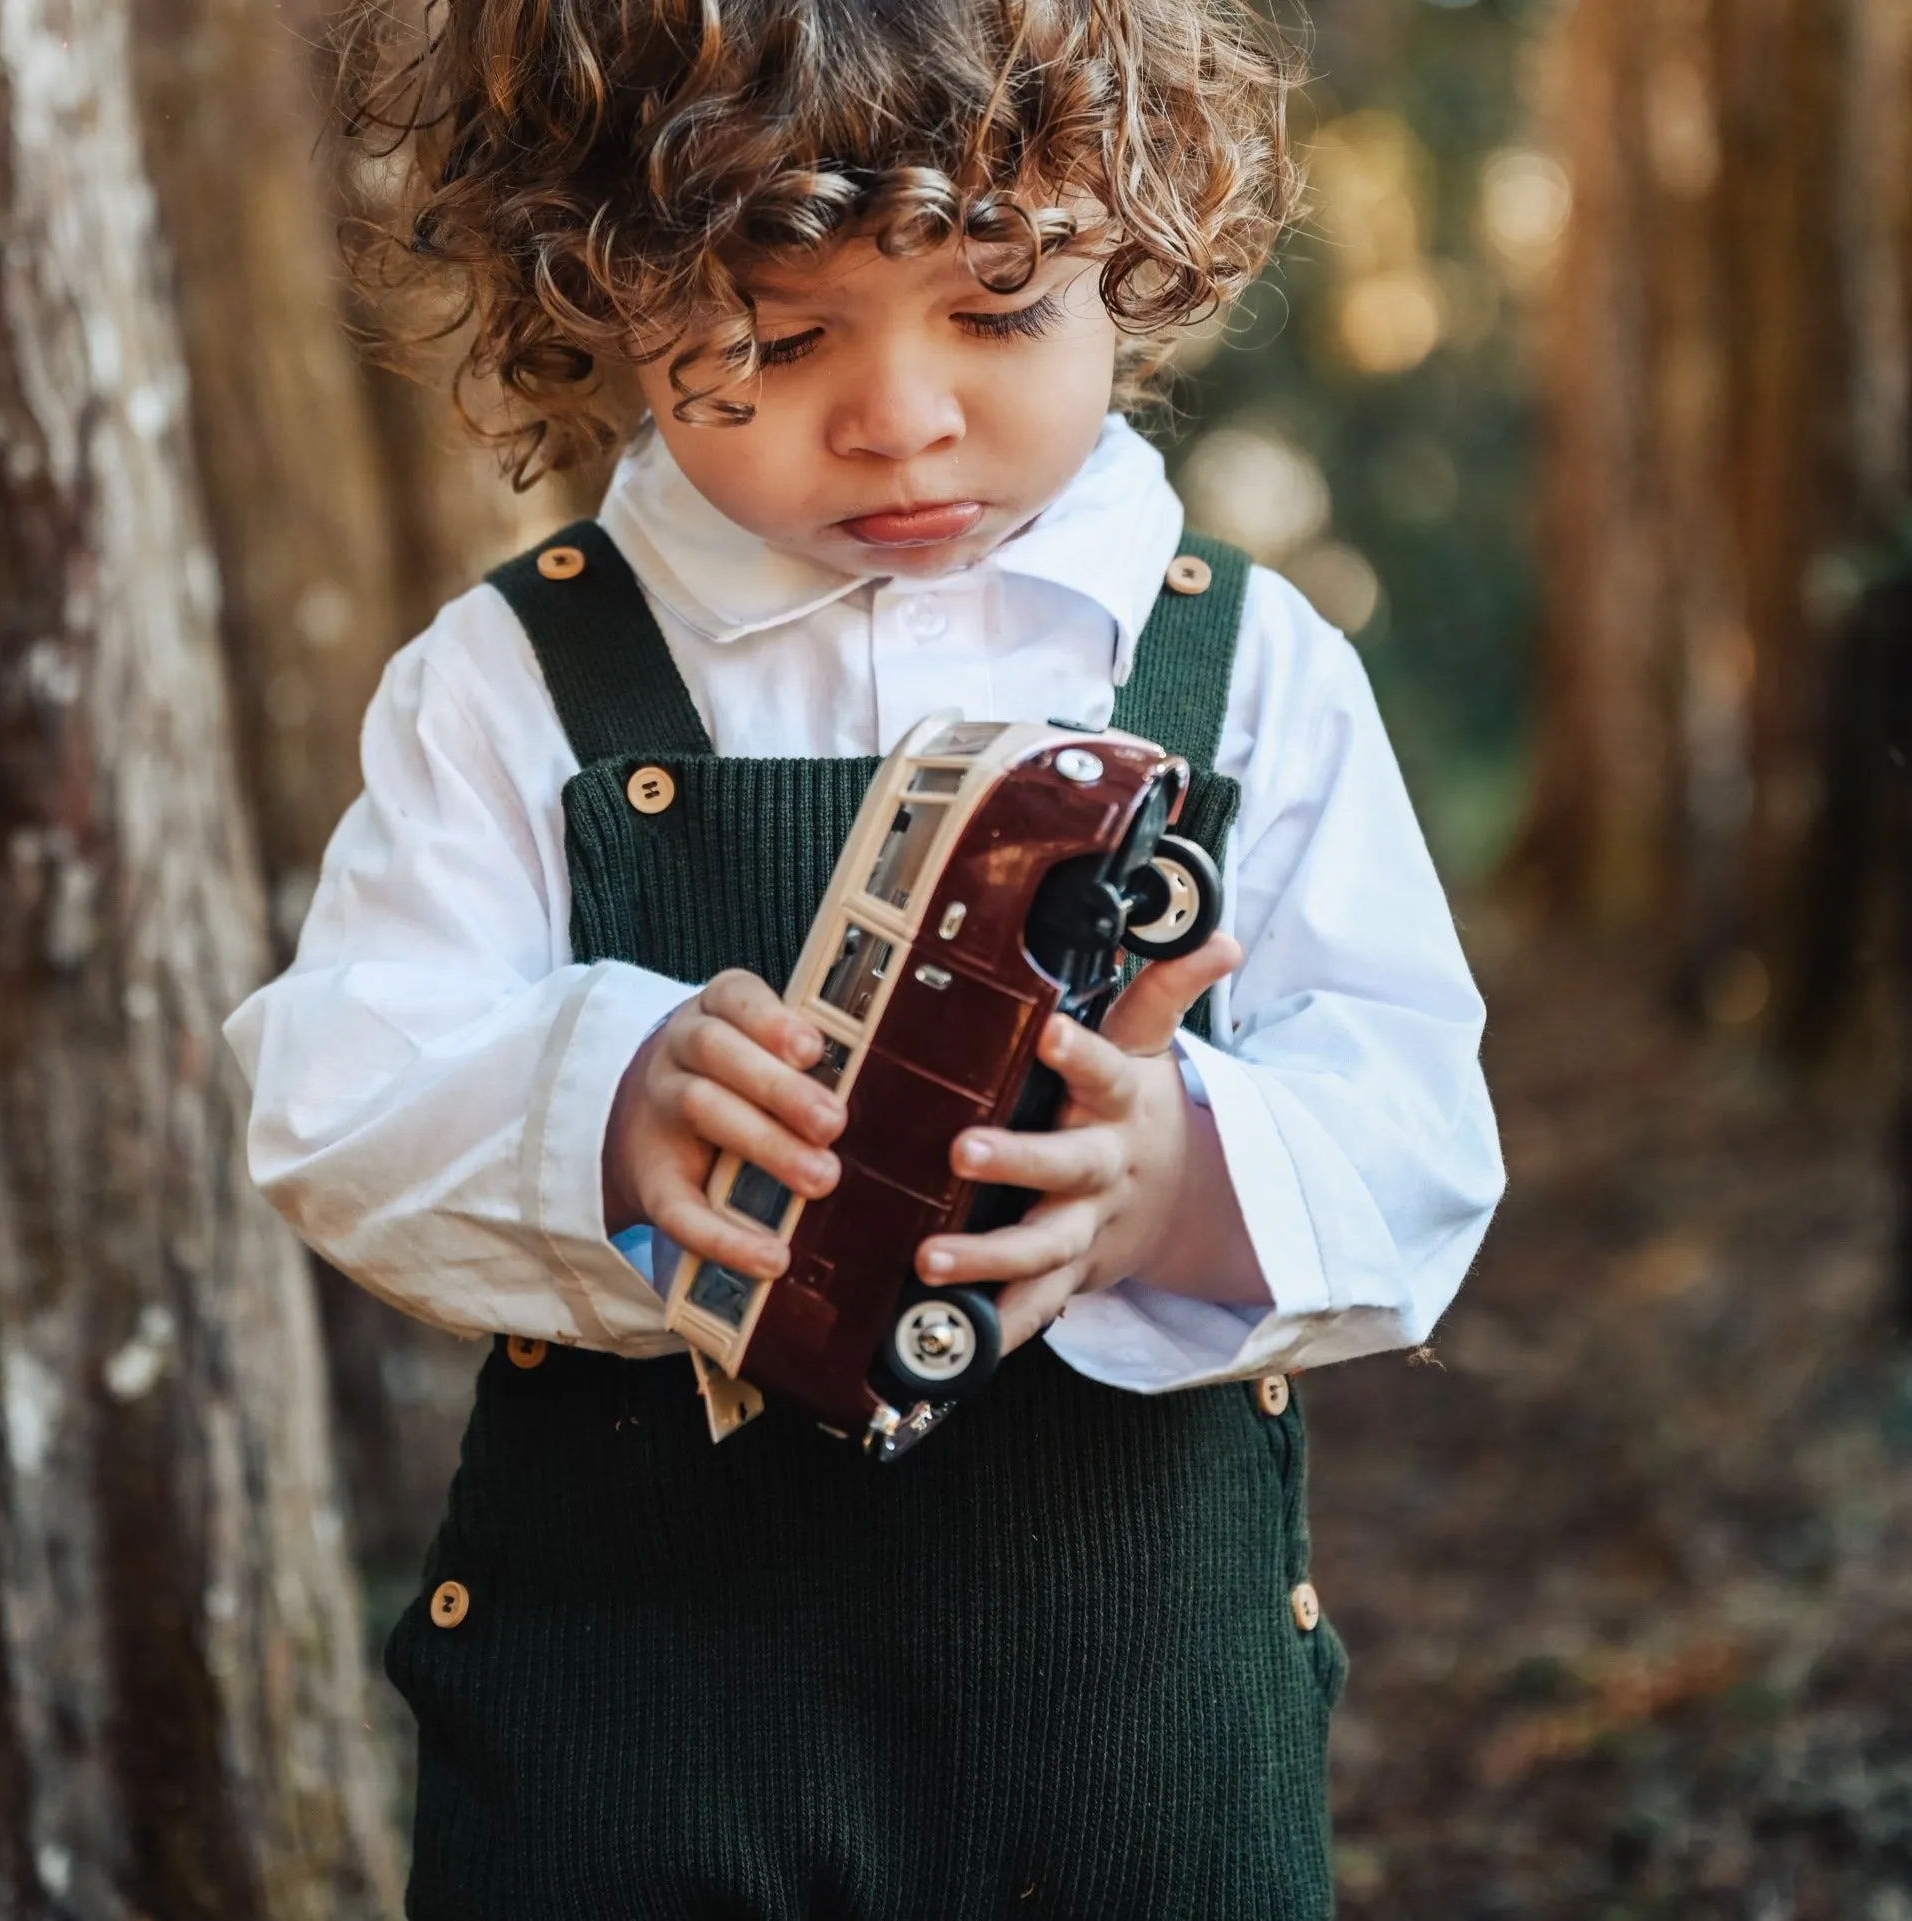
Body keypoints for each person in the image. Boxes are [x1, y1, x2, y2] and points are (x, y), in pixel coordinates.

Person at [229, 2, 1505, 1914]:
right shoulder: (516, 681)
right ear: (606, 288)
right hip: (630, 1736)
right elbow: (336, 1091)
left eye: (998, 314)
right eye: (778, 336)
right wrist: (597, 1102)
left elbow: (1419, 1132)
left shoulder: (1246, 665)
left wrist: (1175, 1182)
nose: (900, 413)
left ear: (1132, 250)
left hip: (1138, 1744)